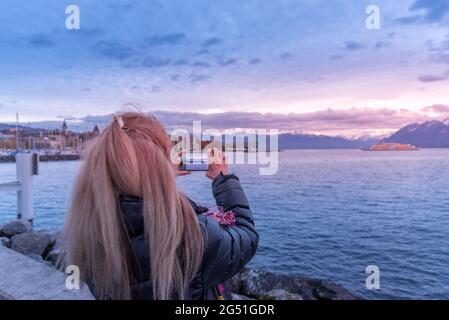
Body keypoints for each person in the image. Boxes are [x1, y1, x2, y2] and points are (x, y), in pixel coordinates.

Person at [63, 112, 258, 300]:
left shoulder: (91, 227)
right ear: (158, 164)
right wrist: (224, 180)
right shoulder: (189, 236)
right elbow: (246, 237)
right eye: (165, 153)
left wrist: (153, 179)